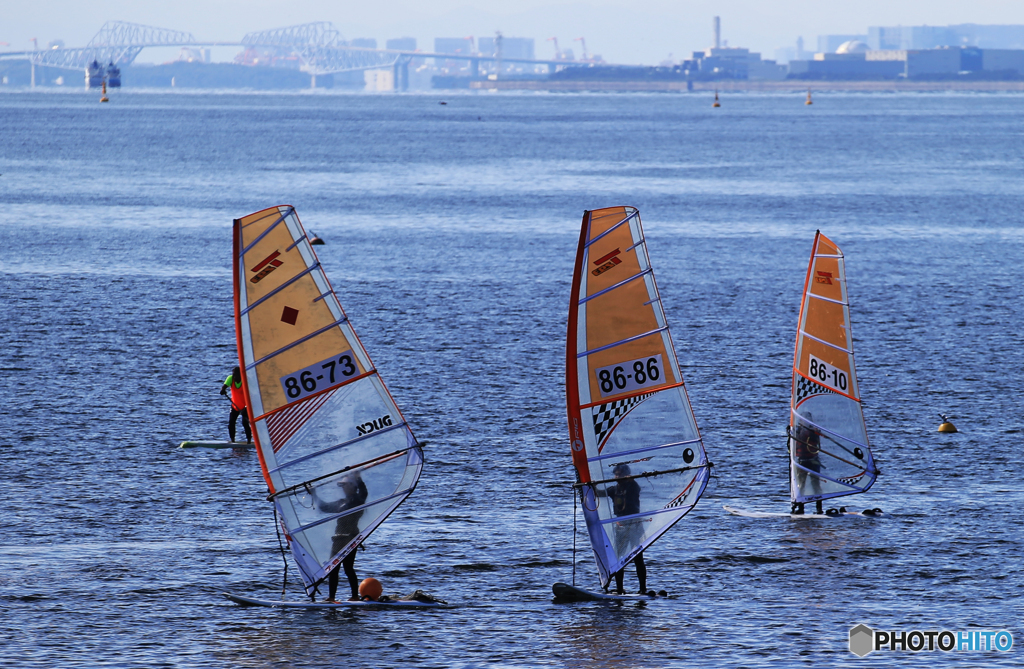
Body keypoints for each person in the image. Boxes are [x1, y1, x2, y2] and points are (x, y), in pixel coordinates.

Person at [312, 473, 368, 601]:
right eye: (341, 486)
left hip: (350, 538)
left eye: (345, 485)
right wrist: (313, 493)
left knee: (348, 569)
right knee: (333, 569)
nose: (343, 488)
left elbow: (364, 492)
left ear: (352, 486)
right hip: (338, 539)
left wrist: (358, 477)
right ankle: (332, 597)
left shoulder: (358, 501)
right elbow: (323, 507)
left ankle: (354, 596)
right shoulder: (341, 503)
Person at [598, 464, 648, 594]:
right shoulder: (614, 489)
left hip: (635, 526)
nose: (617, 477)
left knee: (638, 558)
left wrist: (630, 479)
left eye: (620, 474)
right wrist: (589, 485)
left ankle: (643, 589)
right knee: (618, 559)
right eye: (616, 474)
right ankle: (620, 589)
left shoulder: (633, 486)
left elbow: (636, 486)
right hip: (620, 527)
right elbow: (600, 493)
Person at [791, 412, 823, 515]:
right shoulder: (797, 430)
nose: (804, 421)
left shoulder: (814, 431)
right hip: (802, 462)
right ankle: (801, 508)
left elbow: (815, 436)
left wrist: (813, 430)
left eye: (806, 419)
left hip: (813, 461)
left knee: (815, 485)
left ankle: (819, 509)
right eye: (802, 419)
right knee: (801, 485)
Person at [220, 366, 251, 444]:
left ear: (241, 375)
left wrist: (246, 407)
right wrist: (223, 390)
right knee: (231, 423)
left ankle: (249, 441)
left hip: (246, 407)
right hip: (235, 406)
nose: (234, 377)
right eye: (233, 375)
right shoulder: (230, 378)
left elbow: (252, 393)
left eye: (236, 375)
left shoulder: (246, 380)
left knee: (245, 423)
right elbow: (224, 387)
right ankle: (233, 441)